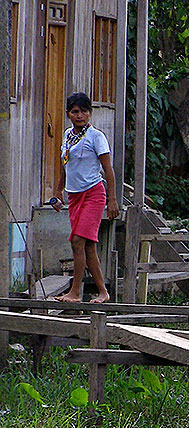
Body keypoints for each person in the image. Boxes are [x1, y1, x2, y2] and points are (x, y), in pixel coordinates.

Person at [50, 92, 119, 303]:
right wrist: (58, 191)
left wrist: (112, 200)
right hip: (74, 196)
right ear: (68, 114)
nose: (79, 115)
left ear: (90, 113)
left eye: (84, 111)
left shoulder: (96, 137)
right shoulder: (67, 136)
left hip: (93, 193)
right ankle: (103, 292)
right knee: (87, 246)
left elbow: (108, 170)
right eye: (75, 111)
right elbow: (66, 165)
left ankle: (75, 292)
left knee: (77, 241)